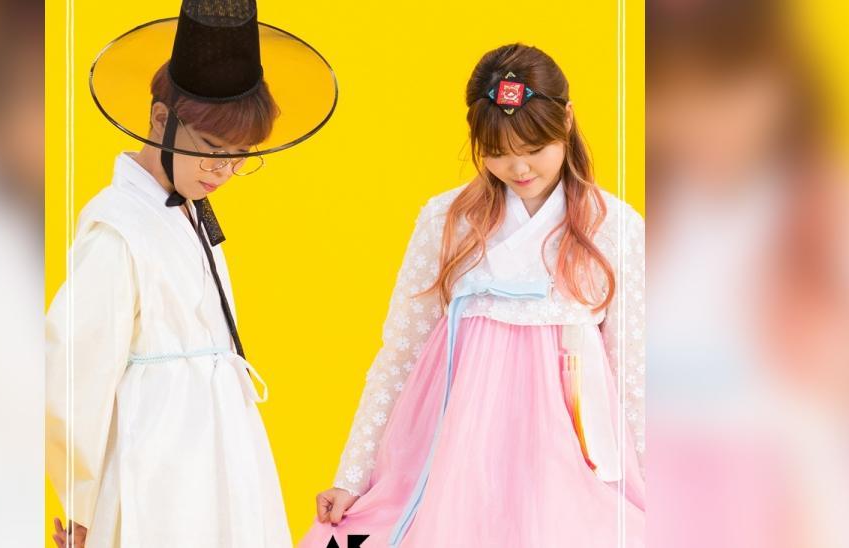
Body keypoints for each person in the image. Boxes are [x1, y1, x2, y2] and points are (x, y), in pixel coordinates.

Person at [300, 44, 645, 548]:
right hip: (456, 443)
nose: (518, 167)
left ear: (567, 121)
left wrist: (654, 483)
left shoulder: (613, 226)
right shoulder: (447, 220)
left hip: (567, 448)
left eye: (534, 148)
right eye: (498, 152)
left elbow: (633, 367)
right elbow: (401, 353)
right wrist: (352, 474)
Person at [46, 1, 336, 546]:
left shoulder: (187, 212)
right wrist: (82, 504)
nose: (224, 171)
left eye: (240, 157)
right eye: (212, 151)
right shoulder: (119, 228)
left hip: (222, 456)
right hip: (158, 463)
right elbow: (73, 370)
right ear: (161, 119)